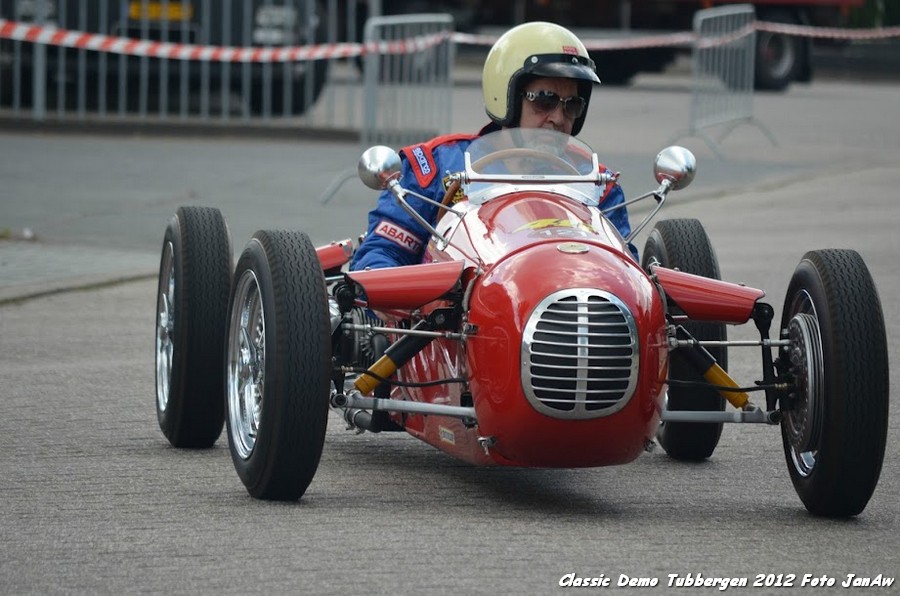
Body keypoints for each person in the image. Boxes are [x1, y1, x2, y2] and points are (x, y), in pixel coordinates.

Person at [351, 21, 637, 271]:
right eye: (544, 99)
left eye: (572, 105)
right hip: (456, 324)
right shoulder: (436, 166)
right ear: (507, 96)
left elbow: (624, 271)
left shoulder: (599, 185)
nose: (558, 118)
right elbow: (381, 256)